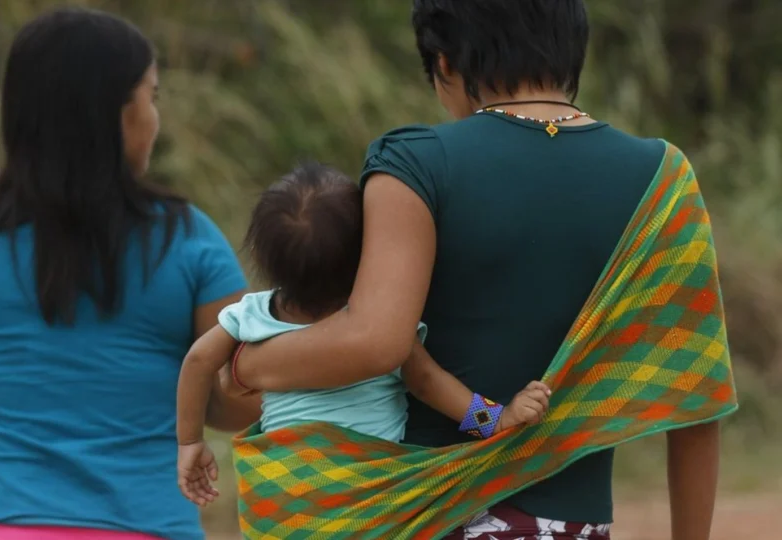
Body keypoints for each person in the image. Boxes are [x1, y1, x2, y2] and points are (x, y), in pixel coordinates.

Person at [229, 1, 722, 539]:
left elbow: (376, 341)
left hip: (429, 515)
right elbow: (696, 403)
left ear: (444, 64)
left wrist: (247, 365)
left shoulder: (414, 163)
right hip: (568, 524)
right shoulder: (664, 180)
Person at [0, 8, 258, 540]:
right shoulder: (188, 240)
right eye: (151, 97)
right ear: (114, 114)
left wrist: (12, 391)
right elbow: (239, 403)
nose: (155, 118)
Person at [173, 163, 551, 506]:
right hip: (363, 492)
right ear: (366, 253)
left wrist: (189, 441)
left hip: (284, 493)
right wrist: (497, 420)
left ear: (261, 255)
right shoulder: (378, 325)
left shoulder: (251, 315)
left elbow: (198, 360)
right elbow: (428, 381)